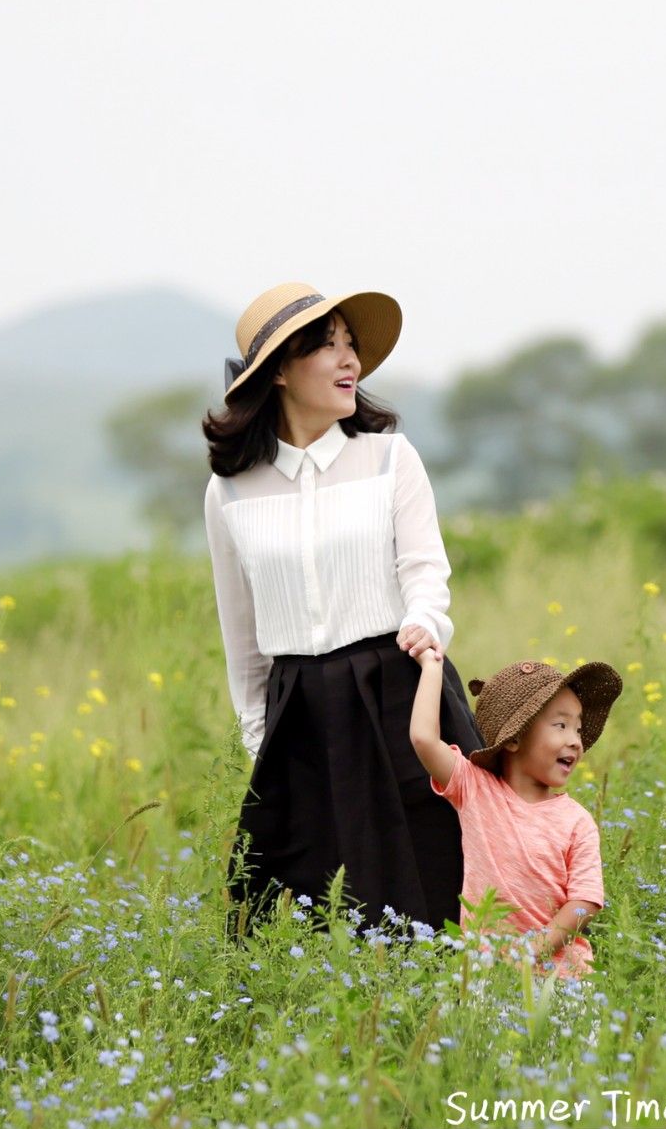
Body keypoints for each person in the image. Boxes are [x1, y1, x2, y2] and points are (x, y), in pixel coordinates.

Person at [202, 282, 487, 938]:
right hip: (296, 714)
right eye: (326, 347)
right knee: (291, 915)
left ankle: (455, 1023)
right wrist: (260, 742)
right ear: (278, 370)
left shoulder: (389, 458)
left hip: (398, 691)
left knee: (438, 885)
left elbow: (425, 572)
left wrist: (423, 623)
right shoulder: (229, 493)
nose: (348, 359)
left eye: (350, 344)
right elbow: (242, 640)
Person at [406, 649, 623, 979]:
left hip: (561, 980)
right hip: (488, 976)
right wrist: (432, 665)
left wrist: (530, 952)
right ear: (514, 738)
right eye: (561, 725)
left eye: (578, 730)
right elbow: (423, 738)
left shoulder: (577, 822)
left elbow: (585, 903)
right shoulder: (475, 790)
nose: (575, 742)